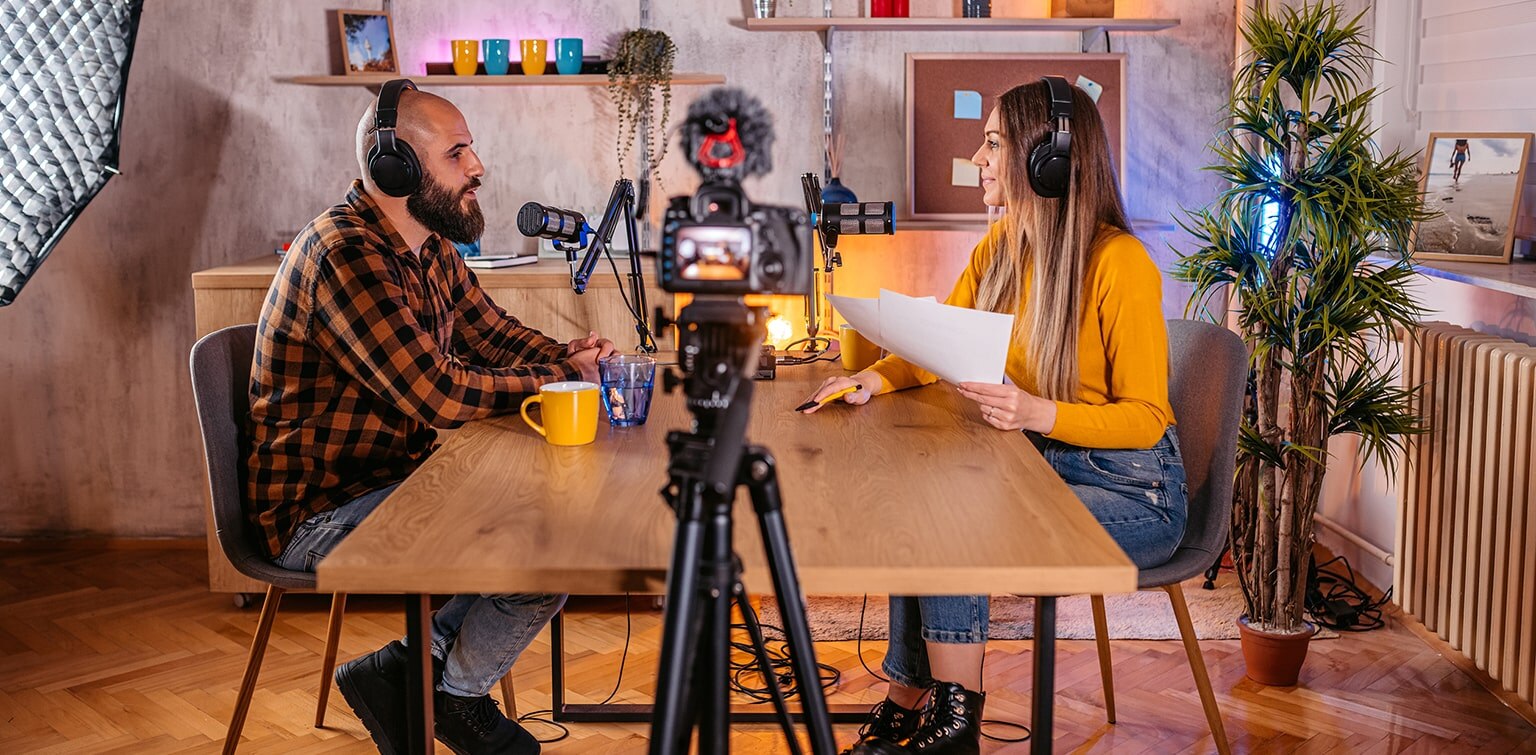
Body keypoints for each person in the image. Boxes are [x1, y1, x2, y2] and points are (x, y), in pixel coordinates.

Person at [804, 78, 1186, 754]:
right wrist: (874, 377)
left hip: (1135, 488)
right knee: (930, 502)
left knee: (960, 527)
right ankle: (917, 701)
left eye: (992, 144)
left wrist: (1040, 410)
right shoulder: (1003, 246)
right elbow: (939, 346)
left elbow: (1149, 417)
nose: (978, 159)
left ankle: (949, 724)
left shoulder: (1119, 263)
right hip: (1046, 462)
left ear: (1048, 159)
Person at [246, 83, 615, 754]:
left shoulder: (428, 246)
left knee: (556, 526)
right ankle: (453, 694)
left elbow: (492, 335)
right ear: (397, 169)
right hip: (321, 513)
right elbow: (437, 393)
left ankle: (408, 674)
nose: (478, 167)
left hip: (401, 482)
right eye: (457, 153)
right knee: (543, 546)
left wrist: (569, 353)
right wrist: (565, 378)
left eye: (470, 148)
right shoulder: (346, 255)